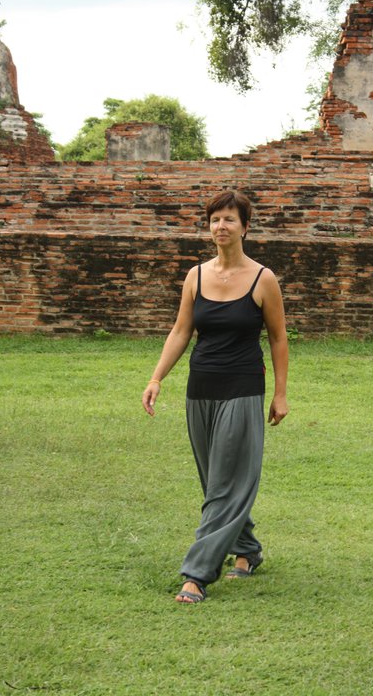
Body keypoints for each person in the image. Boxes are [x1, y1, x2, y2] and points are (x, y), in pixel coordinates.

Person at [142, 190, 289, 603]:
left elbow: (278, 339)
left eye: (229, 219)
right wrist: (156, 378)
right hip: (200, 386)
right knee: (216, 480)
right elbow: (181, 331)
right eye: (214, 220)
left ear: (245, 226)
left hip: (242, 387)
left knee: (227, 483)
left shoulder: (264, 279)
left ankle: (196, 574)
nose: (220, 227)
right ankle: (247, 551)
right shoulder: (196, 275)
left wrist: (280, 394)